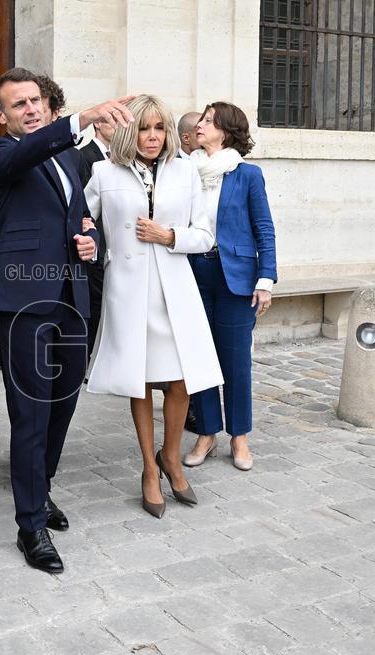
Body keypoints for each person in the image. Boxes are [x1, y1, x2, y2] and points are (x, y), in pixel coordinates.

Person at [0, 67, 130, 573]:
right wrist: (80, 120)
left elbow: (80, 221)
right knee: (31, 414)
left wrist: (91, 242)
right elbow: (26, 154)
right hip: (24, 301)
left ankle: (39, 491)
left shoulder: (68, 157)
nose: (31, 109)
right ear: (1, 115)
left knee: (62, 406)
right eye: (18, 104)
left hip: (72, 298)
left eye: (36, 100)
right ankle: (30, 526)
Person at [83, 94, 223, 518]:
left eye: (159, 128)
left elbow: (205, 235)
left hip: (176, 290)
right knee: (139, 380)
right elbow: (81, 220)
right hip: (128, 291)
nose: (152, 136)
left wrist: (169, 237)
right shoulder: (103, 171)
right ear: (129, 130)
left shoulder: (187, 171)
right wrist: (87, 237)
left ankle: (171, 456)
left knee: (182, 380)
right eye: (143, 128)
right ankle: (148, 468)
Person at [183, 102, 277, 472]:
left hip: (236, 277)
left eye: (208, 121)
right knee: (199, 357)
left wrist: (265, 280)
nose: (199, 126)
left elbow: (264, 229)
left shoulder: (247, 175)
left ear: (226, 131)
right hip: (193, 274)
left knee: (235, 361)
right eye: (201, 120)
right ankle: (206, 433)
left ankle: (239, 436)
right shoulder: (185, 172)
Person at [77, 119, 115, 359]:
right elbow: (84, 207)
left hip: (113, 246)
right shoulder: (84, 156)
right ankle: (88, 358)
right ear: (99, 124)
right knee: (95, 305)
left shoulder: (120, 158)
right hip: (95, 247)